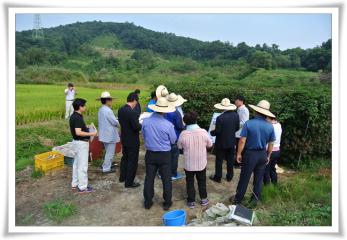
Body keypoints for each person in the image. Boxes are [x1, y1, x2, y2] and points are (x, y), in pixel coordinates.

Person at [231, 100, 276, 207]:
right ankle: (254, 200)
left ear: (256, 111)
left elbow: (242, 141)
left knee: (244, 177)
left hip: (250, 154)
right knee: (259, 179)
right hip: (262, 155)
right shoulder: (270, 126)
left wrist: (238, 154)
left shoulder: (249, 123)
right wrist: (268, 155)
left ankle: (238, 199)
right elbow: (271, 143)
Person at [142, 97, 177, 210]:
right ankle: (167, 202)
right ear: (165, 111)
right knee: (166, 179)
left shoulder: (146, 122)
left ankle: (148, 201)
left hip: (150, 153)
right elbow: (173, 140)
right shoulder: (168, 125)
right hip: (164, 154)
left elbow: (144, 135)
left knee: (149, 178)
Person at [178, 111, 212, 209]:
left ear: (185, 122)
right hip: (201, 162)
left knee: (189, 182)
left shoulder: (183, 134)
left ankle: (191, 201)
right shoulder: (203, 132)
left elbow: (179, 146)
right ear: (196, 119)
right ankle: (204, 199)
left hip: (189, 164)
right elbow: (210, 145)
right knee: (202, 180)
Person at [69, 98, 97, 194]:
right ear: (80, 107)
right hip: (81, 144)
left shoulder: (74, 116)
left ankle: (75, 184)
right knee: (83, 166)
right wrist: (91, 134)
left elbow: (79, 128)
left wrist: (86, 127)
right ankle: (82, 187)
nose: (85, 107)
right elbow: (78, 132)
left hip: (76, 142)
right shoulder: (77, 117)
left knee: (76, 164)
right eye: (84, 105)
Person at [209, 98, 239, 183]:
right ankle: (229, 176)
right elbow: (237, 128)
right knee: (230, 159)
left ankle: (218, 177)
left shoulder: (220, 118)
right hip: (231, 141)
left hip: (221, 142)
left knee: (219, 160)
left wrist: (211, 132)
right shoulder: (236, 115)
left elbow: (217, 131)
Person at [118, 92, 142, 188]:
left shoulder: (121, 110)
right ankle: (129, 182)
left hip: (124, 138)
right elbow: (136, 127)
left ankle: (122, 177)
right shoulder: (132, 112)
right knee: (132, 161)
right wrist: (141, 124)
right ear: (135, 100)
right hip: (132, 140)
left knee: (125, 158)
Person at [97, 91, 120, 174]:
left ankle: (106, 165)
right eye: (110, 99)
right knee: (110, 153)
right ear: (107, 100)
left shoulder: (101, 109)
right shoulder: (108, 111)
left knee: (108, 152)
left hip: (104, 134)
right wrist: (119, 122)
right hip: (109, 134)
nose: (111, 101)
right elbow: (114, 122)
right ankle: (106, 168)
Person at [165, 93, 186, 180]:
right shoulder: (175, 113)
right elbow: (179, 126)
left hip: (163, 137)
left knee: (165, 156)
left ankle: (162, 173)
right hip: (174, 137)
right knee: (174, 157)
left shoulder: (163, 109)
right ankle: (173, 174)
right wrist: (185, 127)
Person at [263, 116, 282, 185]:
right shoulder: (279, 125)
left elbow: (268, 140)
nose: (265, 119)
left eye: (266, 117)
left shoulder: (270, 126)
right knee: (272, 168)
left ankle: (266, 186)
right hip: (277, 150)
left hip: (269, 150)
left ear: (269, 118)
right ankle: (275, 184)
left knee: (266, 169)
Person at [234, 95, 249, 168]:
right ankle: (237, 162)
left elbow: (244, 122)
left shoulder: (244, 110)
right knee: (237, 148)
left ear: (241, 101)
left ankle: (239, 163)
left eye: (236, 100)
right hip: (237, 132)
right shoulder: (239, 109)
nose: (235, 102)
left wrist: (234, 125)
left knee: (239, 148)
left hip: (240, 133)